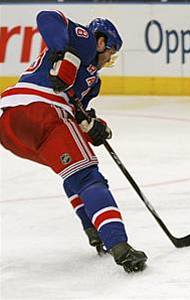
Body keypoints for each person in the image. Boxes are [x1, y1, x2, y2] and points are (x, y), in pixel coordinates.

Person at [0, 10, 147, 273]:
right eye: (110, 51)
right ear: (101, 41)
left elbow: (77, 113)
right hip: (41, 109)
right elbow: (47, 16)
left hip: (10, 125)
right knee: (88, 177)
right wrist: (65, 53)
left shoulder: (93, 83)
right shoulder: (85, 40)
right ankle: (119, 245)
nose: (108, 59)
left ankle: (94, 229)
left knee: (74, 173)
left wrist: (94, 127)